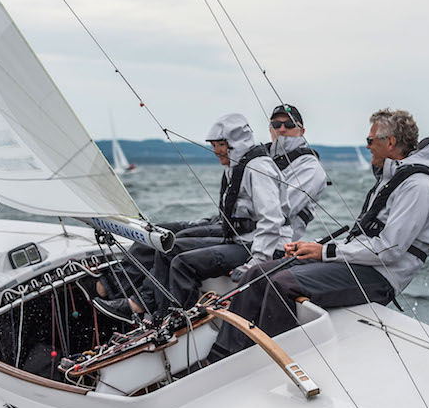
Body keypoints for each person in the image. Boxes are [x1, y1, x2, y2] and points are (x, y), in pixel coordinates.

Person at [207, 108, 429, 362]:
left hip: (380, 276)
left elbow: (388, 250)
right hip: (360, 263)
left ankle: (271, 363)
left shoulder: (418, 187)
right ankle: (225, 355)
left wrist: (325, 252)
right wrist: (315, 248)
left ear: (390, 143)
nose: (367, 147)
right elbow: (367, 240)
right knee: (258, 272)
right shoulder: (395, 178)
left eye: (370, 141)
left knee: (282, 284)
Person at [95, 113, 287, 322]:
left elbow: (272, 219)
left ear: (235, 143)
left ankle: (173, 320)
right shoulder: (236, 166)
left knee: (183, 263)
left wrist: (256, 262)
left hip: (262, 247)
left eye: (219, 145)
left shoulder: (257, 168)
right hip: (240, 240)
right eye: (213, 146)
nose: (215, 151)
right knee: (168, 248)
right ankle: (143, 305)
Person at [264, 104, 328, 241]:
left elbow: (283, 208)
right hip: (246, 235)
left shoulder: (310, 167)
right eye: (276, 124)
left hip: (278, 243)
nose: (282, 129)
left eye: (289, 124)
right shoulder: (261, 160)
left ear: (302, 131)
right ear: (270, 129)